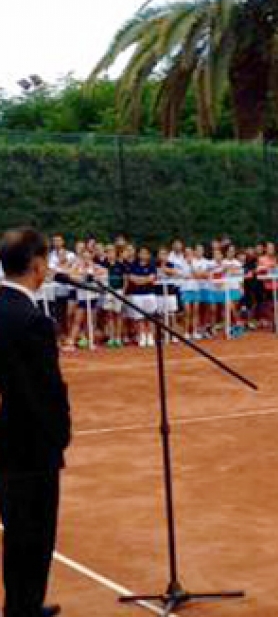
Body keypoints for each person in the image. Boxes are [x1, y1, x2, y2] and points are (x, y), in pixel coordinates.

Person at [0, 227, 70, 617]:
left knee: (17, 533)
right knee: (35, 534)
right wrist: (59, 439)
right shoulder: (32, 320)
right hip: (32, 446)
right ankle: (24, 609)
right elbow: (46, 392)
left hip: (6, 439)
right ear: (38, 265)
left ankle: (21, 606)